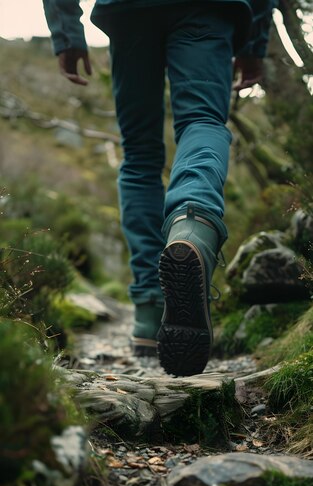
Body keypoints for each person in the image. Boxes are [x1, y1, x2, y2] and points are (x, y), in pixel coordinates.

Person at [43, 0, 276, 376]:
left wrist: (67, 32)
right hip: (208, 11)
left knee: (139, 155)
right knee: (202, 121)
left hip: (129, 12)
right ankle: (193, 224)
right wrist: (254, 43)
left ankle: (150, 312)